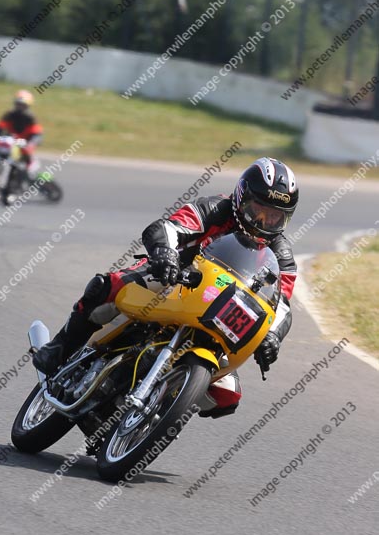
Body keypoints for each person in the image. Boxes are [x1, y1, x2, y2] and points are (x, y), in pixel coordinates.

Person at [32, 157, 299, 419]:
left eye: (275, 218)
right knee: (105, 287)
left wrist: (272, 337)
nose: (263, 222)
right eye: (258, 210)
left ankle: (159, 408)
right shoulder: (216, 208)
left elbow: (281, 305)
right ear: (241, 198)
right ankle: (59, 347)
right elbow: (169, 227)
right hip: (175, 278)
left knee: (226, 397)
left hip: (221, 313)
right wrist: (165, 253)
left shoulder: (281, 256)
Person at [0, 90, 43, 179]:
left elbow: (37, 134)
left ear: (27, 106)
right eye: (18, 104)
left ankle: (30, 172)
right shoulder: (9, 115)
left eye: (23, 105)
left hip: (24, 143)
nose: (20, 107)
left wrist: (31, 144)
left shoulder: (31, 118)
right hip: (10, 140)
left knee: (26, 154)